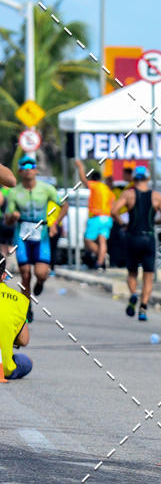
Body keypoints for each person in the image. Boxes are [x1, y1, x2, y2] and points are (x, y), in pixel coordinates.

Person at [4, 157, 68, 320]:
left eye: (31, 166)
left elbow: (64, 205)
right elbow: (7, 219)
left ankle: (40, 283)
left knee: (40, 273)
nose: (28, 169)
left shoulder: (47, 189)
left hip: (42, 236)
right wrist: (13, 216)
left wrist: (55, 224)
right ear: (19, 171)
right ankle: (27, 308)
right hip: (22, 236)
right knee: (25, 275)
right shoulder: (14, 192)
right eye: (24, 167)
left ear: (36, 170)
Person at [111, 166, 161, 321]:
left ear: (134, 178)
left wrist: (123, 224)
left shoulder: (128, 195)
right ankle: (143, 309)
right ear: (148, 178)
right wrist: (155, 222)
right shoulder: (157, 196)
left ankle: (133, 294)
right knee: (148, 277)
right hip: (149, 238)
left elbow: (114, 211)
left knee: (132, 273)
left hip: (133, 237)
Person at [75, 159, 115, 270]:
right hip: (107, 218)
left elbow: (83, 180)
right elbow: (112, 204)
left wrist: (80, 167)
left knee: (87, 240)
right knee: (102, 240)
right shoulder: (107, 190)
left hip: (96, 217)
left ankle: (101, 256)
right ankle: (100, 262)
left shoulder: (95, 185)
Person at [0, 251, 32, 379]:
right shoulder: (19, 300)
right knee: (26, 361)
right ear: (3, 275)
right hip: (3, 368)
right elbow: (24, 340)